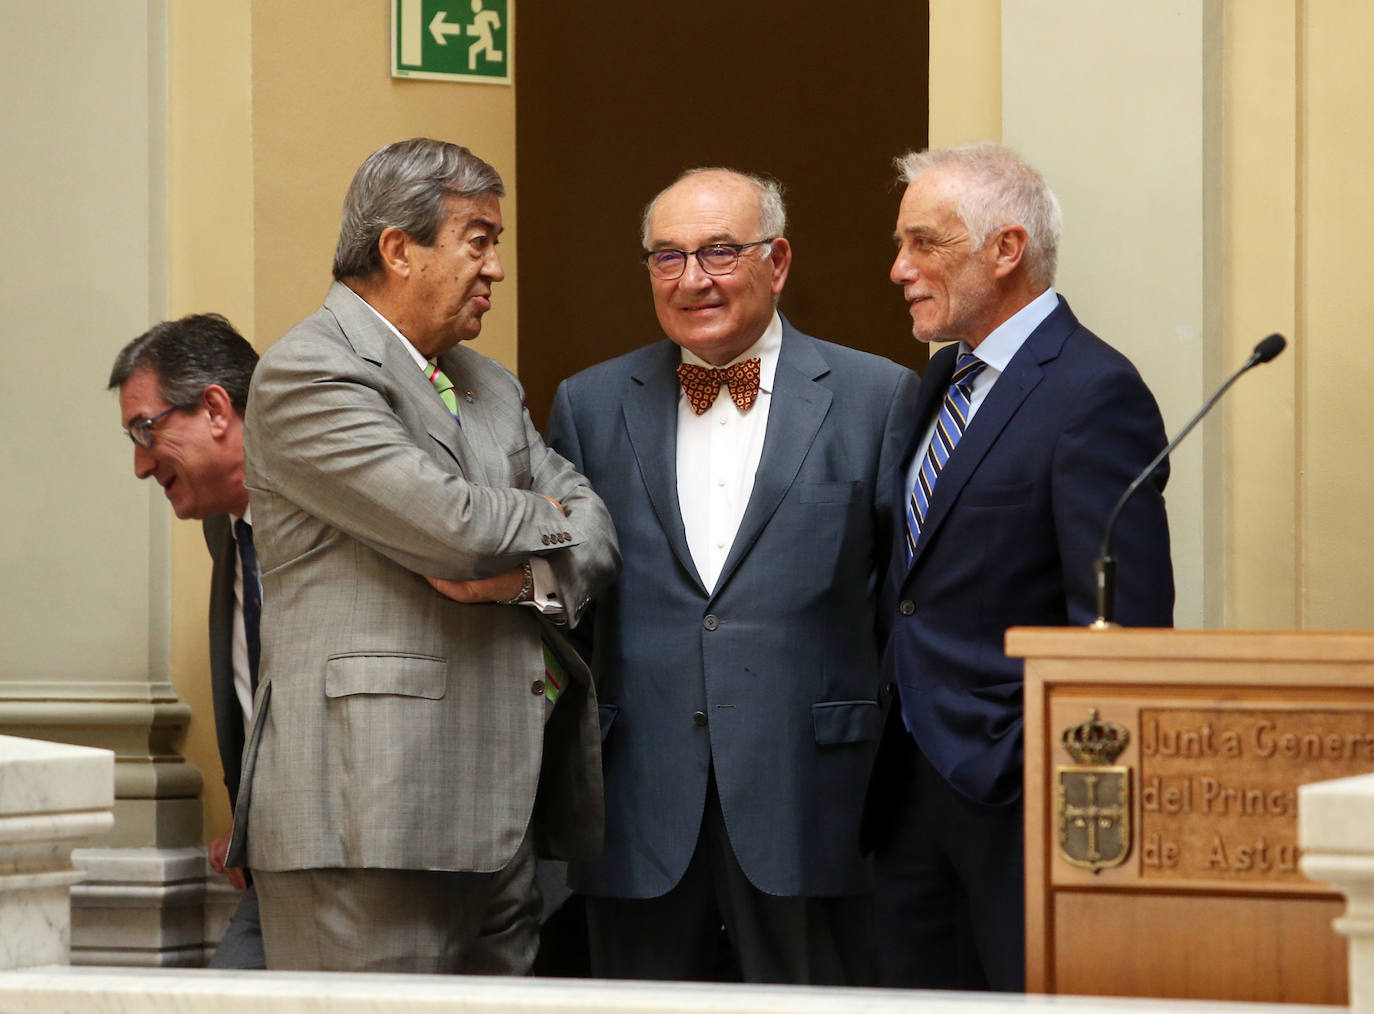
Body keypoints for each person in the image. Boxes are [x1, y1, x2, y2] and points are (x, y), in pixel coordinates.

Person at [226, 137, 620, 974]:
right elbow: (453, 528)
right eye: (478, 240)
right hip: (367, 817)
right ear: (398, 249)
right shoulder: (309, 371)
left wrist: (515, 574)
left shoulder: (490, 384)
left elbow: (598, 532)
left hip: (503, 817)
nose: (497, 269)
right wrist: (531, 521)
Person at [546, 167, 919, 984]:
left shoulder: (877, 396)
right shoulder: (588, 403)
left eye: (719, 252)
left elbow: (902, 608)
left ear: (777, 262)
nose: (692, 280)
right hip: (639, 799)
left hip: (813, 795)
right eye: (667, 257)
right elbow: (568, 616)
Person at [866, 142, 1175, 991]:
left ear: (1005, 250)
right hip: (904, 787)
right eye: (900, 244)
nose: (898, 268)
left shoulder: (1093, 391)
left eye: (924, 243)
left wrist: (1049, 774)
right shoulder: (938, 382)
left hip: (1017, 795)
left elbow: (1124, 629)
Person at [107, 313, 266, 969]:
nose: (141, 465)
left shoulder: (333, 513)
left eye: (147, 430)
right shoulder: (222, 530)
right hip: (268, 870)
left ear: (216, 409)